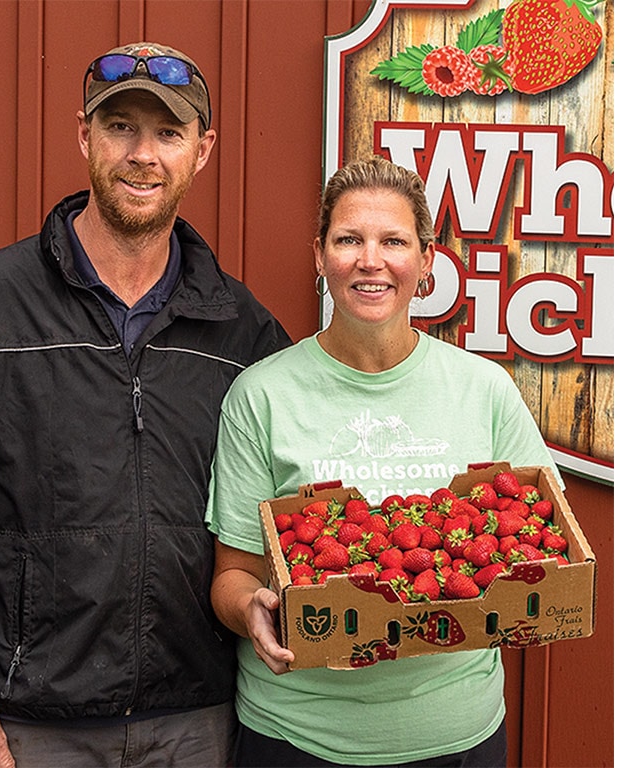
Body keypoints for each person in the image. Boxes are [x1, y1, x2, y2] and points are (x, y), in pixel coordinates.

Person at [0, 41, 292, 768]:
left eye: (168, 132)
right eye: (120, 126)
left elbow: (286, 509)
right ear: (83, 136)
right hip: (29, 722)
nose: (143, 154)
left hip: (195, 718)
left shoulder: (241, 331)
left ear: (204, 149)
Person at [206, 156, 563, 767]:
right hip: (297, 737)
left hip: (458, 735)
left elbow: (546, 539)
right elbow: (232, 574)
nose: (370, 261)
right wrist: (253, 612)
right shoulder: (262, 396)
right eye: (349, 240)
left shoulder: (484, 389)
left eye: (393, 241)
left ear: (426, 260)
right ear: (319, 256)